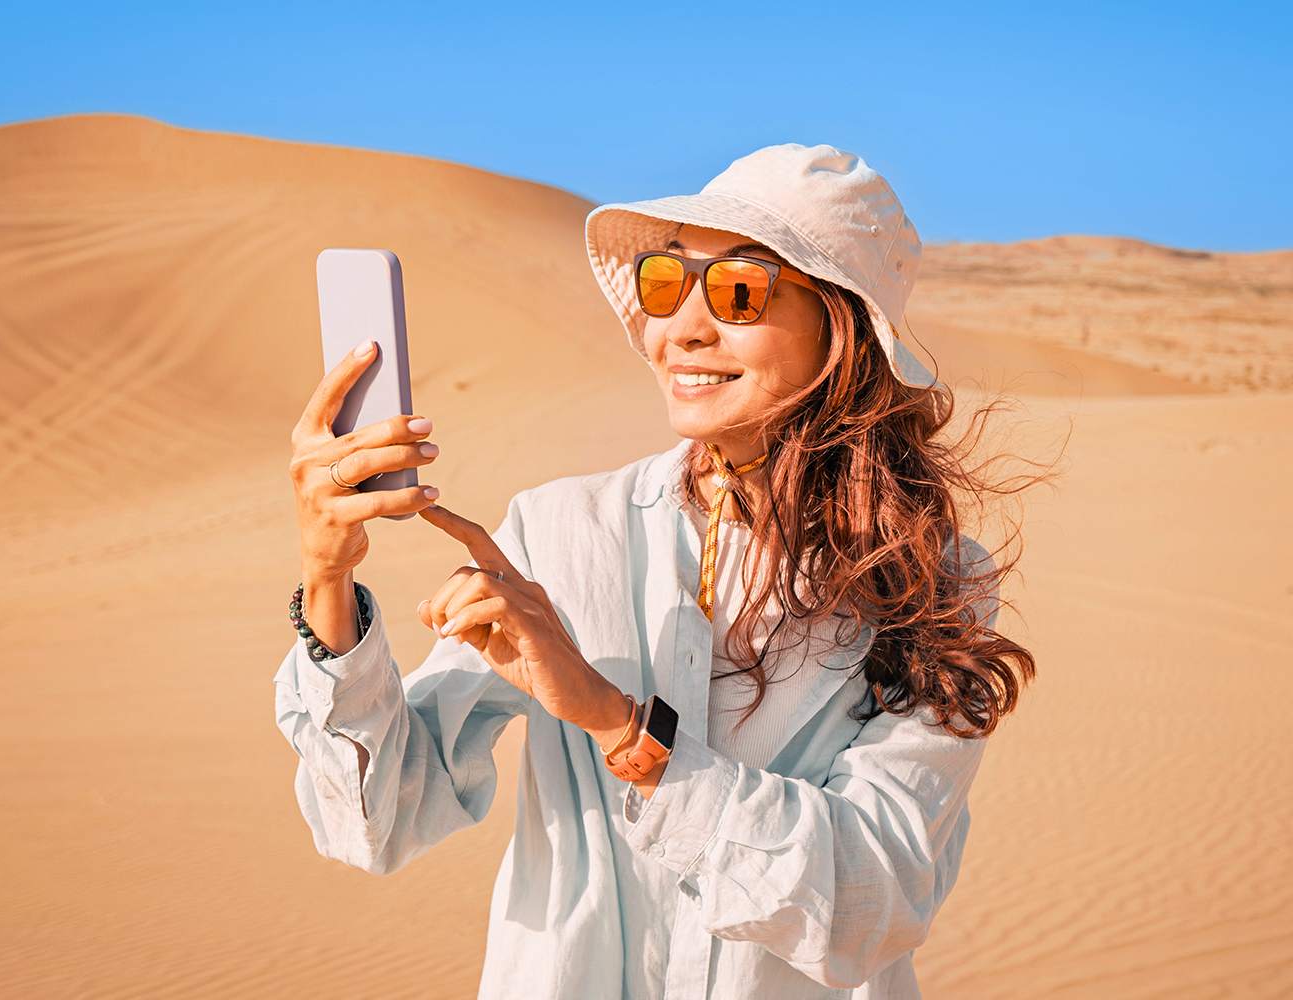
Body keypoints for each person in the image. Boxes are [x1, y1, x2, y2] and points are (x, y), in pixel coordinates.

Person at [274, 144, 1035, 999]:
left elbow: (873, 902)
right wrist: (327, 578)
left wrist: (618, 726)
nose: (684, 329)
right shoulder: (559, 529)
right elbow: (379, 821)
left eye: (740, 292)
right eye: (665, 284)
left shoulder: (933, 581)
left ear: (842, 332)